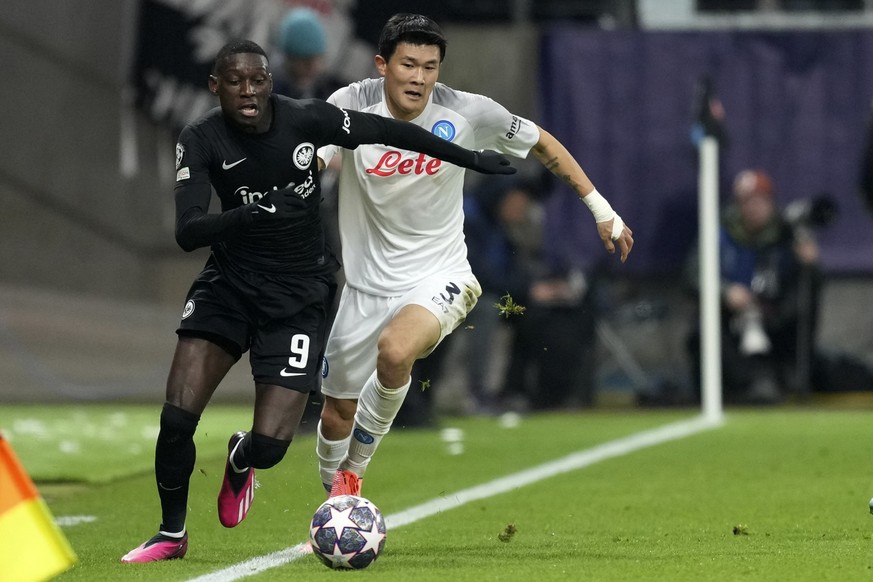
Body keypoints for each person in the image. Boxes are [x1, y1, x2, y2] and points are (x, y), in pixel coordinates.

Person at [119, 39, 515, 564]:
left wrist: (469, 158)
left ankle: (245, 457)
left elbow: (388, 131)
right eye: (234, 82)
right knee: (176, 418)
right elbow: (189, 231)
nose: (248, 91)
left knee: (273, 446)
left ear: (270, 83)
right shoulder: (200, 139)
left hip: (299, 295)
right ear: (216, 88)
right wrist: (255, 214)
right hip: (228, 288)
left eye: (257, 80)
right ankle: (171, 534)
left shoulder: (305, 119)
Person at [314, 13, 634, 499]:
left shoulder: (467, 113)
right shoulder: (350, 104)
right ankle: (330, 501)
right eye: (408, 65)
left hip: (439, 276)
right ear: (382, 64)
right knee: (336, 413)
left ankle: (350, 482)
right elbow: (310, 154)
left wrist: (601, 207)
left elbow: (543, 143)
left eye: (430, 66)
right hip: (363, 289)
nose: (419, 78)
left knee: (396, 352)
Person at [684, 169, 822, 404]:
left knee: (805, 303)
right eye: (747, 202)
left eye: (760, 201)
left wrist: (811, 265)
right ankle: (743, 384)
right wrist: (725, 292)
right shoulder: (719, 233)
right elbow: (693, 276)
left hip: (774, 316)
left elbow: (809, 284)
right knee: (704, 325)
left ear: (771, 203)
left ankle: (791, 377)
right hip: (731, 316)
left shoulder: (787, 234)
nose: (754, 208)